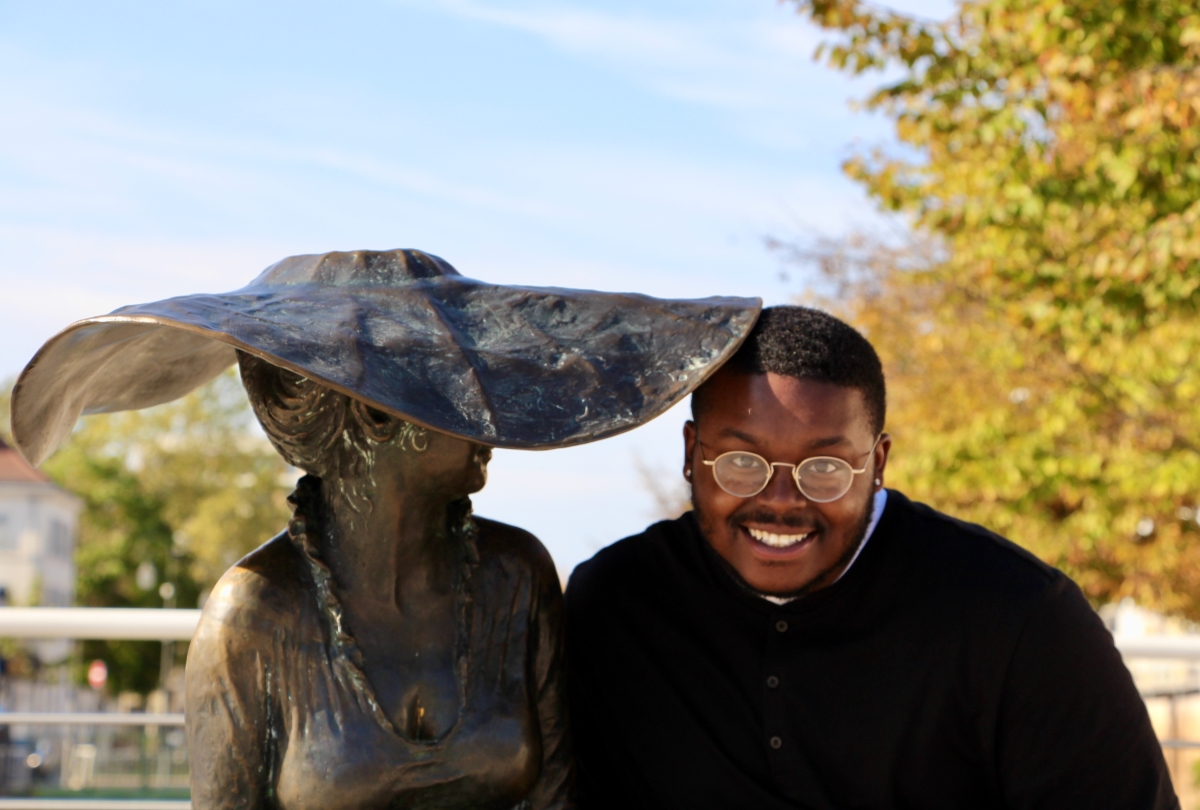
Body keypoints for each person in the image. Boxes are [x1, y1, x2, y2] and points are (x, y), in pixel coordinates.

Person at [8, 248, 760, 810]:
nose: (487, 424)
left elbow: (556, 795)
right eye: (460, 398)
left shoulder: (515, 576)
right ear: (373, 415)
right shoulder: (255, 614)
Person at [565, 305, 1178, 809]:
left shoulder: (1021, 618)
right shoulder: (615, 605)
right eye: (742, 463)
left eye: (824, 468)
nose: (781, 501)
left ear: (877, 464)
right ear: (693, 452)